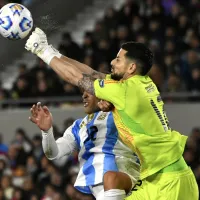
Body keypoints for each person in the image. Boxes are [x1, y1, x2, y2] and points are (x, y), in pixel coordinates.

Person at [25, 28, 199, 199]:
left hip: (170, 183)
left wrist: (43, 52)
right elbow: (92, 74)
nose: (112, 63)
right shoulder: (140, 83)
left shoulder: (125, 91)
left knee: (110, 178)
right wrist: (54, 52)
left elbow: (77, 78)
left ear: (131, 67)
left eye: (118, 59)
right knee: (110, 178)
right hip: (156, 179)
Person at [29, 91, 140, 200]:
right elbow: (53, 153)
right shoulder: (78, 126)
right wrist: (47, 132)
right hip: (102, 186)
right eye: (83, 92)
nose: (84, 95)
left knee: (111, 178)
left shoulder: (117, 114)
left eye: (90, 91)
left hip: (123, 174)